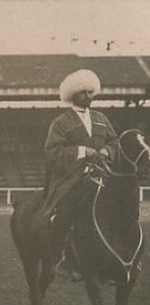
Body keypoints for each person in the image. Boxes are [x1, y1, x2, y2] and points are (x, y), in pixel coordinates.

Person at [39, 69, 120, 261]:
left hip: (103, 174)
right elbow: (52, 153)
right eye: (84, 92)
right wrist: (83, 151)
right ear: (73, 94)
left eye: (91, 92)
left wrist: (106, 150)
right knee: (65, 210)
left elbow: (115, 141)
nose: (89, 96)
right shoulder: (60, 123)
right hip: (73, 178)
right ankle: (60, 256)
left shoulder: (101, 118)